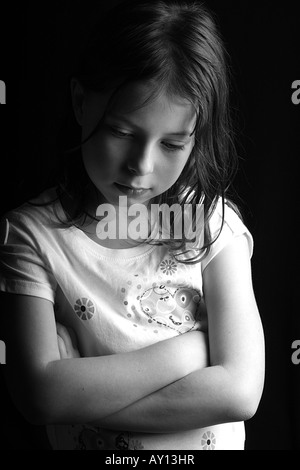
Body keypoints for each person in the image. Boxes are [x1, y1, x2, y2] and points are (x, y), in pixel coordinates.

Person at [0, 0, 265, 450]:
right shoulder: (30, 236)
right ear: (81, 102)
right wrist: (190, 352)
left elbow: (240, 392)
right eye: (121, 132)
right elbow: (39, 397)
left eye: (173, 143)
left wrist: (77, 394)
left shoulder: (211, 225)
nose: (141, 167)